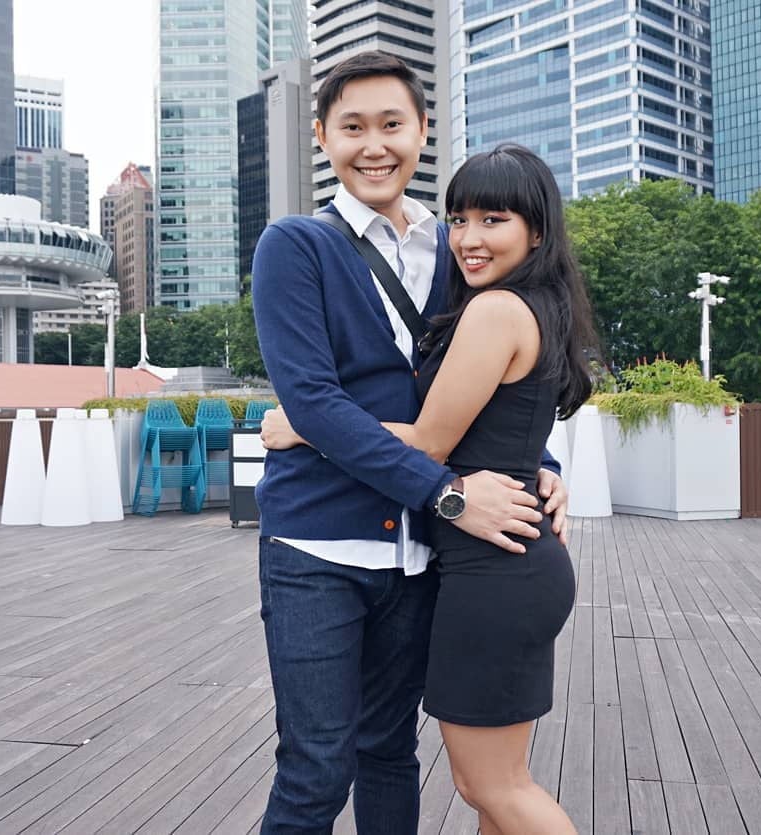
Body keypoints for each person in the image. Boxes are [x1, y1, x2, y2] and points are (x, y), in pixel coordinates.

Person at [250, 52, 569, 834]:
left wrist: (538, 463)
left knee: (390, 751)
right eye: (352, 127)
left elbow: (491, 382)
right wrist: (447, 494)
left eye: (392, 124)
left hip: (420, 558)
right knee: (316, 769)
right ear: (322, 136)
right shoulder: (295, 245)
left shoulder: (455, 249)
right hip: (318, 547)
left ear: (423, 130)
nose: (374, 145)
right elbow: (314, 401)